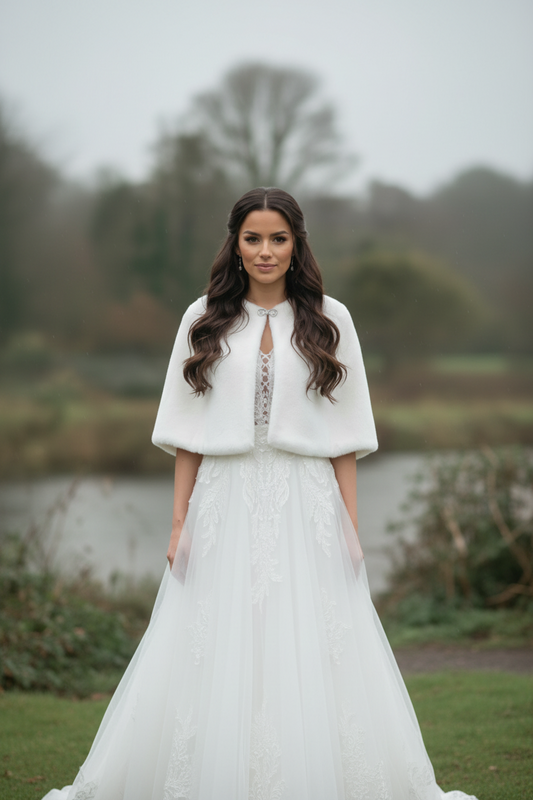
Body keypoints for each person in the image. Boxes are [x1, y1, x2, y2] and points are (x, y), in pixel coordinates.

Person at [43, 187, 478, 800]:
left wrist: (351, 530)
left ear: (297, 243)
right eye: (253, 238)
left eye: (278, 238)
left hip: (308, 501)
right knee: (214, 639)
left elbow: (345, 437)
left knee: (314, 640)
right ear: (236, 243)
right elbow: (188, 433)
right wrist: (177, 524)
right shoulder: (203, 318)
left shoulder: (332, 320)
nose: (266, 251)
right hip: (223, 499)